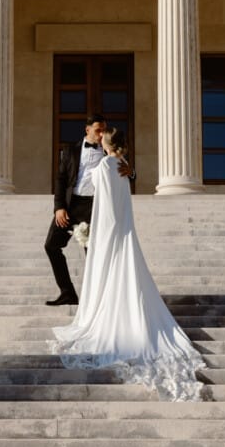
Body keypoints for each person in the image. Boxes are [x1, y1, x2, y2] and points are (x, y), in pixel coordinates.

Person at [50, 127, 205, 402]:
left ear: (107, 142)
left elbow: (104, 202)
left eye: (103, 136)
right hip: (125, 230)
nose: (100, 137)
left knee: (108, 276)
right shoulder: (120, 164)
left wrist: (96, 233)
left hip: (110, 229)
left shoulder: (107, 164)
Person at [43, 114, 132, 306]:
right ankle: (67, 292)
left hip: (94, 207)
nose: (101, 135)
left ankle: (98, 299)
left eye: (103, 130)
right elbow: (61, 179)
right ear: (88, 129)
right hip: (70, 205)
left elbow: (127, 173)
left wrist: (131, 171)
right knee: (51, 246)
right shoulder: (70, 150)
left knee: (93, 254)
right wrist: (59, 207)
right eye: (98, 130)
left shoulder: (109, 152)